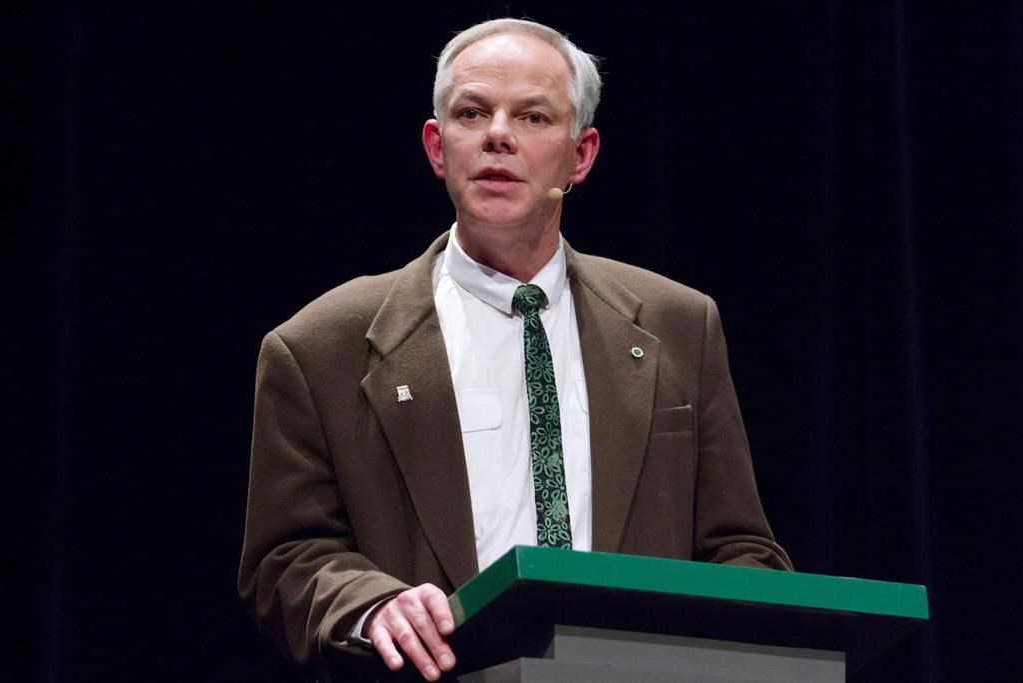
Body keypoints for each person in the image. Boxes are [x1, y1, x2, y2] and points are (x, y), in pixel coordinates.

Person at [238, 17, 791, 683]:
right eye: (473, 112)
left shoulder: (680, 325)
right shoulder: (318, 347)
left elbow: (740, 546)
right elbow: (285, 558)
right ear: (438, 147)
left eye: (532, 116)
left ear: (580, 155)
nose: (498, 134)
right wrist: (371, 604)